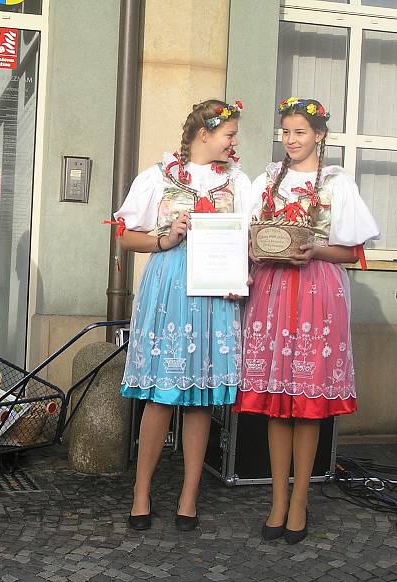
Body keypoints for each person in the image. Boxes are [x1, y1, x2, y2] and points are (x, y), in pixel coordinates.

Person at [235, 97, 379, 544]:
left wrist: (315, 249)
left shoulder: (338, 183)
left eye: (299, 132)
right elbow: (246, 235)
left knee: (307, 402)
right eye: (286, 132)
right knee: (277, 402)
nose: (291, 140)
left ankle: (300, 501)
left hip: (318, 292)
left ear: (319, 135)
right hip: (273, 291)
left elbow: (352, 251)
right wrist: (252, 250)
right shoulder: (265, 181)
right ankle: (277, 500)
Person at [113, 100, 252, 531]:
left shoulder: (239, 181)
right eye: (228, 134)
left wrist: (242, 271)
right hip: (170, 286)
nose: (234, 142)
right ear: (204, 134)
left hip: (215, 290)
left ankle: (189, 495)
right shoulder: (159, 176)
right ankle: (141, 493)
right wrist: (164, 237)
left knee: (201, 399)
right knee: (161, 395)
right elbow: (125, 236)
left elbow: (249, 237)